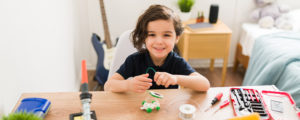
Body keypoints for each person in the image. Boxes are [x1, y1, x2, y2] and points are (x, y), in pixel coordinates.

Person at [104, 4, 210, 93]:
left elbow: (205, 84)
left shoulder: (177, 62)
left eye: (166, 35)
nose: (159, 41)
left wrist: (176, 78)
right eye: (152, 35)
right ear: (144, 37)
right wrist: (128, 85)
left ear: (176, 38)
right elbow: (108, 86)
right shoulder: (134, 61)